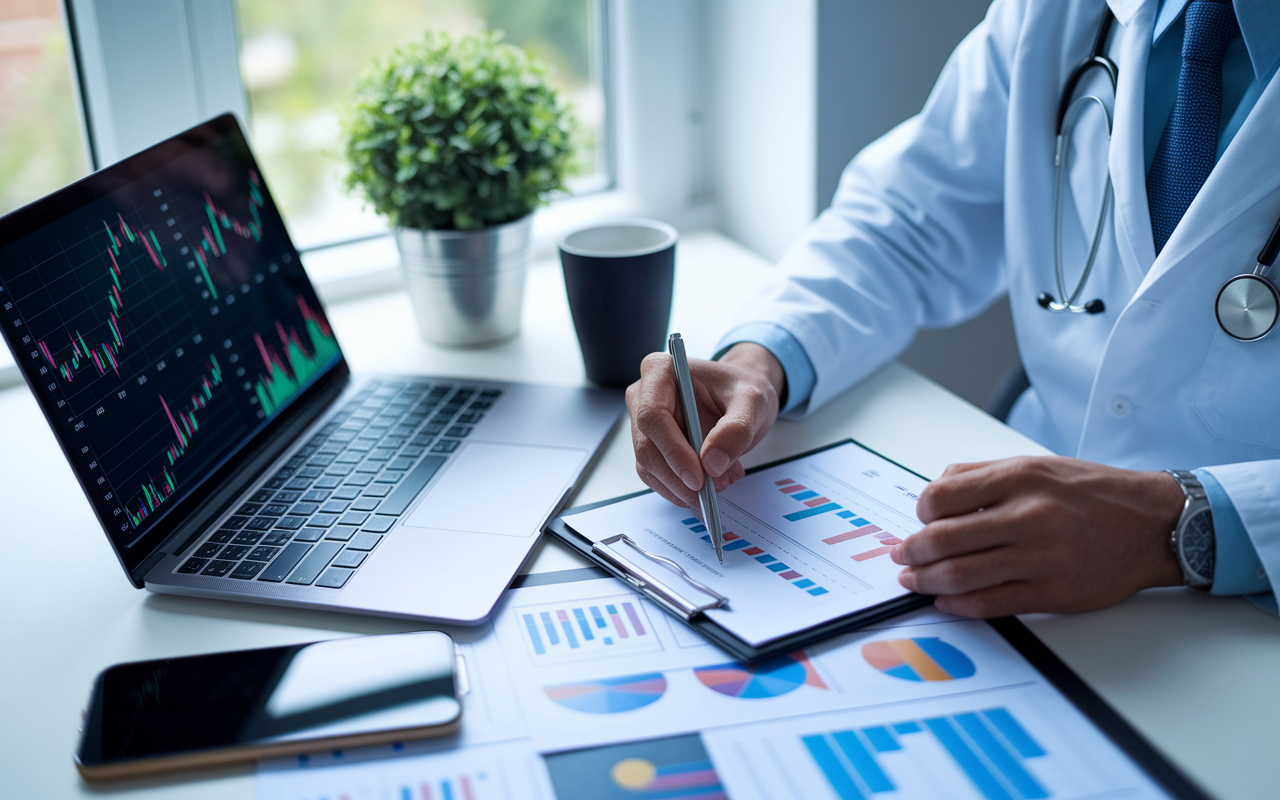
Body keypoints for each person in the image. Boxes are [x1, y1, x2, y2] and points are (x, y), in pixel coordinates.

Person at [628, 0, 1280, 618]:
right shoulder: (1060, 15)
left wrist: (1178, 525)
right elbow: (908, 222)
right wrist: (759, 361)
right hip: (1022, 552)